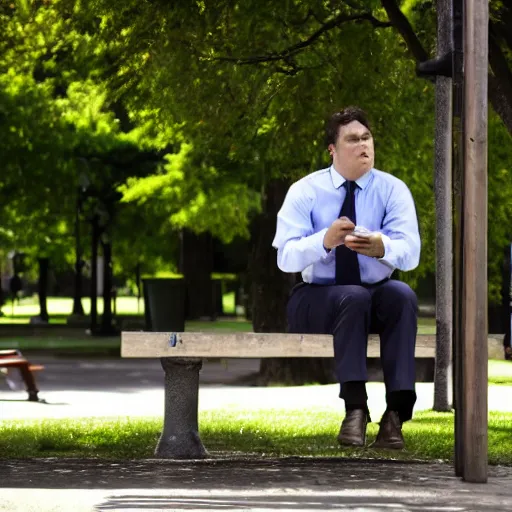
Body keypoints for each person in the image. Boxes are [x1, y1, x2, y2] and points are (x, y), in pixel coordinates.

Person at [272, 106, 421, 450]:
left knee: (402, 295)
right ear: (333, 150)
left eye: (366, 137)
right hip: (316, 297)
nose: (363, 146)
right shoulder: (305, 190)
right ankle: (355, 408)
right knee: (352, 296)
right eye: (352, 140)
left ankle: (396, 415)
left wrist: (381, 248)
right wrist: (325, 240)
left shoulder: (393, 190)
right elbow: (285, 258)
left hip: (375, 295)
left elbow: (410, 254)